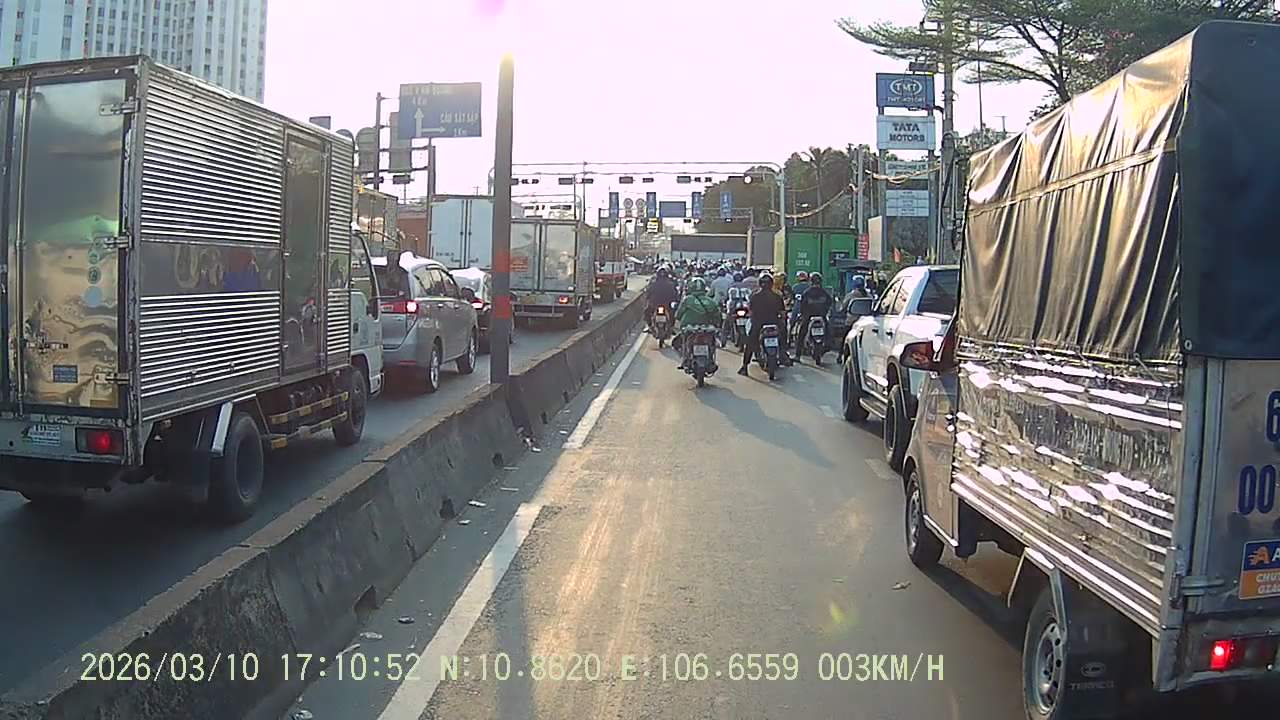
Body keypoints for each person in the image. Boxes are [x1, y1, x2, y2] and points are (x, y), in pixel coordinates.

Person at [739, 273, 787, 376]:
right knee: (783, 336)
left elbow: (750, 312)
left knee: (750, 343)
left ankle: (745, 366)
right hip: (774, 323)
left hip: (758, 324)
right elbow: (783, 313)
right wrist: (782, 321)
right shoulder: (777, 296)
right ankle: (784, 355)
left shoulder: (755, 296)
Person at [674, 277, 722, 369]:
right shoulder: (711, 301)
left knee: (678, 342)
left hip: (689, 328)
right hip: (707, 328)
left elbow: (679, 314)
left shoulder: (687, 300)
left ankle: (684, 360)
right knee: (713, 342)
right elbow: (717, 316)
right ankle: (711, 360)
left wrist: (678, 318)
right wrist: (716, 325)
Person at [793, 272, 834, 359]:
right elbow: (829, 303)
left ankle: (797, 355)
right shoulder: (824, 293)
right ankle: (827, 347)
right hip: (821, 317)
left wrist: (803, 314)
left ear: (811, 281)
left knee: (801, 334)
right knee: (829, 332)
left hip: (809, 317)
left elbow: (802, 306)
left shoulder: (807, 292)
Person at [645, 267, 678, 331]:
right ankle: (671, 327)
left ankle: (649, 326)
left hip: (655, 304)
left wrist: (648, 297)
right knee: (673, 312)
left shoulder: (653, 284)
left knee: (647, 311)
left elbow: (648, 293)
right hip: (666, 304)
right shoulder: (671, 284)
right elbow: (675, 295)